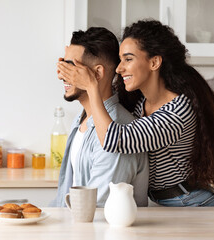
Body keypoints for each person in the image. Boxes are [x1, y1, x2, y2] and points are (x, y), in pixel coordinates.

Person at [57, 20, 214, 207]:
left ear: (154, 62)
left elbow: (114, 140)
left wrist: (92, 84)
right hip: (165, 202)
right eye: (119, 60)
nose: (119, 68)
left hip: (191, 202)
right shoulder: (141, 101)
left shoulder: (177, 111)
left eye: (128, 59)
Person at [51, 27, 149, 208]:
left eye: (70, 67)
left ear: (97, 74)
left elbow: (99, 208)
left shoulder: (117, 131)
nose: (61, 75)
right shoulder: (81, 121)